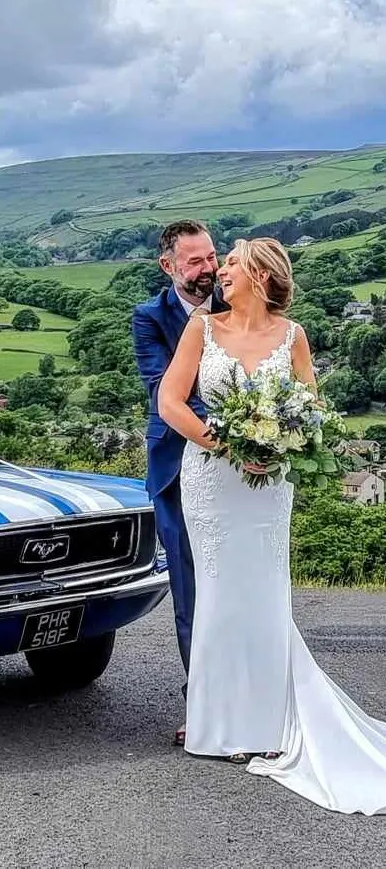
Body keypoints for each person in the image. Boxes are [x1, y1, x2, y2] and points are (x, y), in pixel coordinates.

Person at [157, 237, 386, 815]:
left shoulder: (293, 335)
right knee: (219, 595)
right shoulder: (201, 330)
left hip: (268, 489)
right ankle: (216, 724)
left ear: (260, 275)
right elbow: (170, 403)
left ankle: (267, 720)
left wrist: (284, 445)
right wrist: (228, 444)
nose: (221, 272)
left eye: (231, 264)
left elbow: (312, 410)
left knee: (262, 594)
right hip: (211, 478)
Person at [131, 220, 226, 747]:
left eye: (211, 256)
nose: (208, 268)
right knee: (190, 590)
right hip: (175, 468)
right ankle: (204, 701)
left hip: (239, 473)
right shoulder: (149, 317)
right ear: (169, 266)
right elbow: (161, 389)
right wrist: (234, 429)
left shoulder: (238, 308)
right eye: (195, 261)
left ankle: (251, 694)